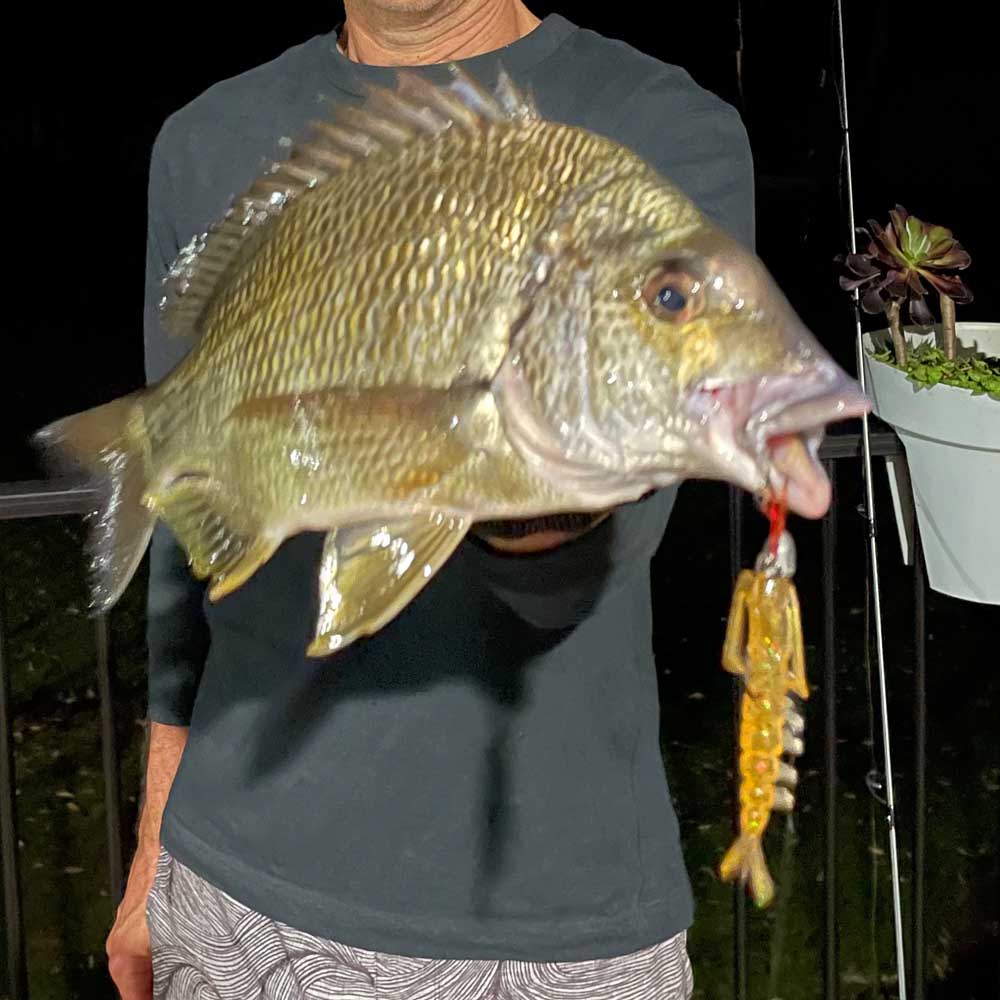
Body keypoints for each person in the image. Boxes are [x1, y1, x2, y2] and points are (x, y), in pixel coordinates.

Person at [106, 3, 778, 998]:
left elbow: (582, 566)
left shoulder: (655, 126)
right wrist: (153, 851)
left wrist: (511, 428)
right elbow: (189, 554)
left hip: (544, 922)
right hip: (232, 885)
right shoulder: (206, 139)